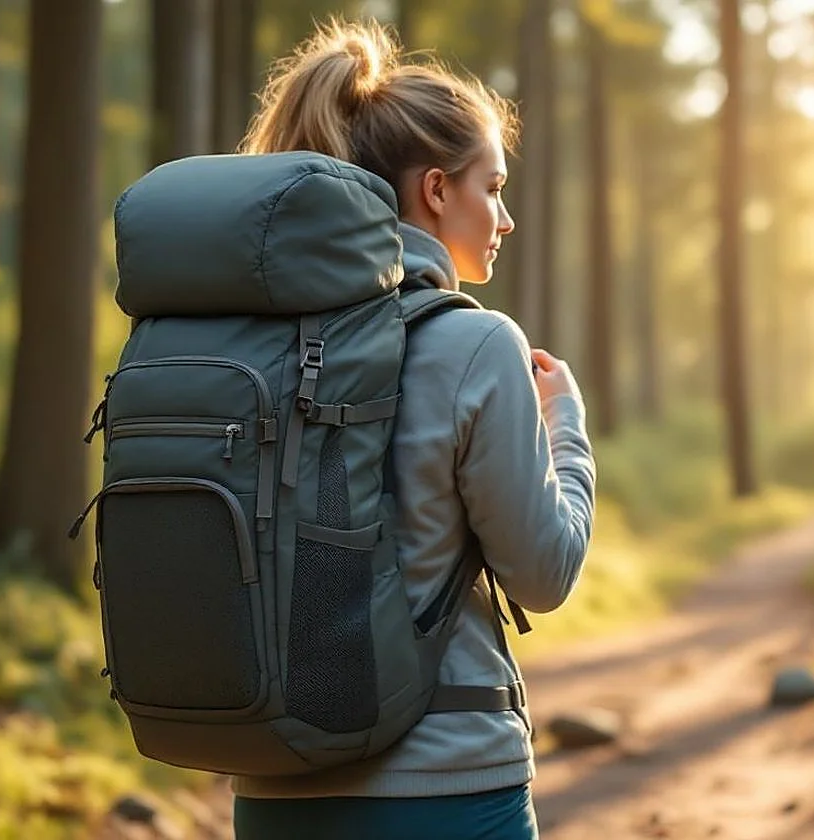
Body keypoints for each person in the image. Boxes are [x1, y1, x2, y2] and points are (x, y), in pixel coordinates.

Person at [229, 18, 597, 840]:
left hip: (272, 791)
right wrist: (565, 428)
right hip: (448, 786)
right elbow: (545, 572)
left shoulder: (261, 343)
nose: (503, 219)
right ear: (435, 190)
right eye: (492, 188)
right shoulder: (475, 344)